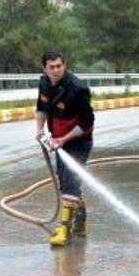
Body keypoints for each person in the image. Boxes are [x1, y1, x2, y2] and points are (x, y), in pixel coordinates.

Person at [35, 49, 95, 247]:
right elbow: (41, 108)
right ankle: (80, 220)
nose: (56, 70)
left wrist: (64, 139)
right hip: (58, 140)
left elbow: (88, 122)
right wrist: (39, 130)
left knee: (70, 180)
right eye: (51, 67)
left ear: (64, 65)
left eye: (59, 66)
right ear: (45, 68)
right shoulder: (44, 83)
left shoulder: (77, 89)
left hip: (78, 142)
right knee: (67, 182)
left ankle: (63, 228)